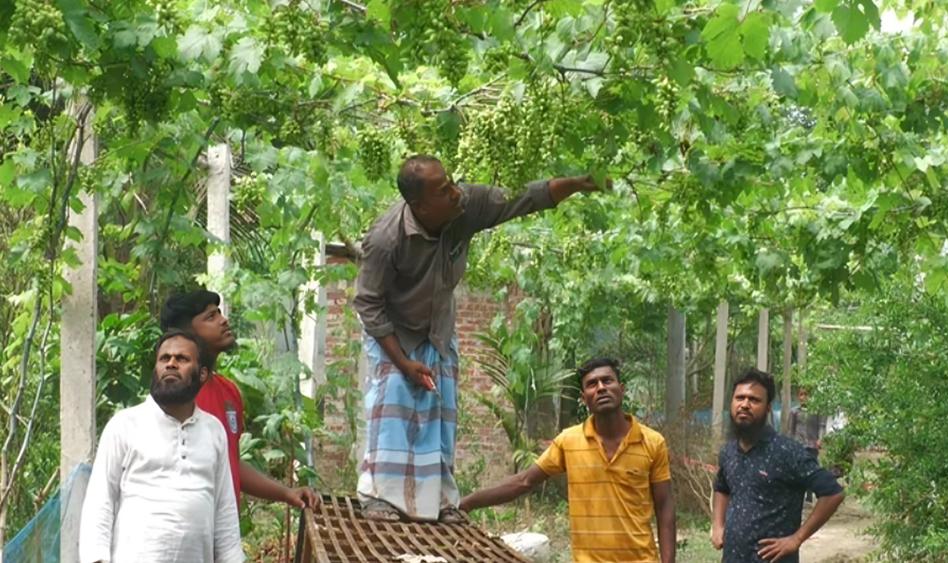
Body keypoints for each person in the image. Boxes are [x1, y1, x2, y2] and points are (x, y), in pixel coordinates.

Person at [353, 155, 608, 522]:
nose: (455, 192)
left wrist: (580, 181)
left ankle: (438, 502)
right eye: (443, 190)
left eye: (452, 182)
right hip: (394, 332)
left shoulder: (465, 206)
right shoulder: (385, 239)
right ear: (419, 205)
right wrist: (403, 362)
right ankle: (378, 497)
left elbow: (523, 198)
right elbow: (368, 304)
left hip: (436, 329)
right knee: (393, 410)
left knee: (439, 415)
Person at [460, 358, 676, 563]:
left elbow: (664, 506)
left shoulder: (653, 442)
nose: (601, 387)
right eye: (592, 384)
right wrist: (466, 503)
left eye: (607, 381)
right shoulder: (568, 441)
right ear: (584, 398)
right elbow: (523, 482)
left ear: (622, 388)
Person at [79, 330, 245, 563]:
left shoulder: (214, 430)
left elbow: (224, 509)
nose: (171, 364)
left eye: (182, 359)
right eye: (164, 358)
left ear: (203, 374)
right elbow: (100, 501)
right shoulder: (125, 425)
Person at [160, 290, 321, 510]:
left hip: (224, 533)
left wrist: (286, 493)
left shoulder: (229, 392)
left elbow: (231, 463)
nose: (223, 320)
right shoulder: (173, 399)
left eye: (219, 313)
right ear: (185, 334)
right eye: (211, 317)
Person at [712, 369, 846, 562]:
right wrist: (717, 525)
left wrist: (796, 539)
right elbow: (721, 487)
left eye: (754, 400)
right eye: (739, 398)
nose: (745, 404)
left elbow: (833, 493)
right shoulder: (728, 452)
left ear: (767, 408)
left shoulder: (788, 451)